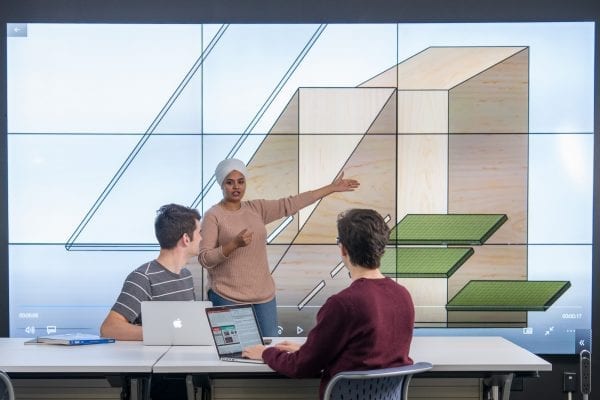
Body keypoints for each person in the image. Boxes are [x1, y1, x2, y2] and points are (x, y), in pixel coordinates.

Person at [242, 208, 415, 399]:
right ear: (381, 248)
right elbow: (369, 356)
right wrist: (309, 350)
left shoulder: (343, 304)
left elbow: (300, 367)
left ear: (343, 249)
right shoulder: (403, 296)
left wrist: (266, 353)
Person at [198, 158, 359, 337]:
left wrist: (330, 188)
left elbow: (291, 203)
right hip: (227, 296)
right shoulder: (213, 216)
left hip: (263, 296)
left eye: (241, 181)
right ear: (221, 184)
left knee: (269, 353)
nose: (236, 187)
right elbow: (205, 259)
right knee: (235, 354)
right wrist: (234, 244)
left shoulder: (256, 208)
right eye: (230, 182)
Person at [100, 203, 202, 341]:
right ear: (186, 239)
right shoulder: (142, 278)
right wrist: (164, 334)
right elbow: (109, 328)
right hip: (154, 360)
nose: (202, 238)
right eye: (199, 233)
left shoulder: (186, 276)